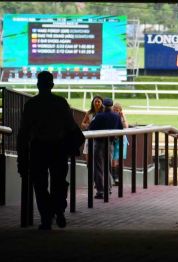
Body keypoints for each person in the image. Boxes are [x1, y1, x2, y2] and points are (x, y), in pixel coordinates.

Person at [17, 71, 82, 230]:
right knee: (58, 183)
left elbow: (23, 132)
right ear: (52, 85)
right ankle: (58, 210)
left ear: (38, 85)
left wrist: (22, 156)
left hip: (38, 148)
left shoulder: (31, 105)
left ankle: (47, 217)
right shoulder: (60, 102)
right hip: (58, 148)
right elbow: (71, 126)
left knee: (39, 185)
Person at [88, 98, 123, 199]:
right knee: (108, 167)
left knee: (98, 167)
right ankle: (109, 188)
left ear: (103, 105)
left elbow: (91, 128)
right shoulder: (116, 117)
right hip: (110, 144)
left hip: (99, 143)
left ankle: (101, 191)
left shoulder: (99, 116)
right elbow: (120, 129)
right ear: (112, 106)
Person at [111, 102, 129, 186]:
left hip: (121, 140)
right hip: (113, 140)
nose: (115, 112)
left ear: (120, 111)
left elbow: (126, 127)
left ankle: (118, 178)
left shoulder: (121, 117)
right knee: (113, 160)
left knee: (119, 159)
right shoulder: (111, 117)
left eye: (117, 110)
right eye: (114, 110)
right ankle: (115, 178)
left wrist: (123, 116)